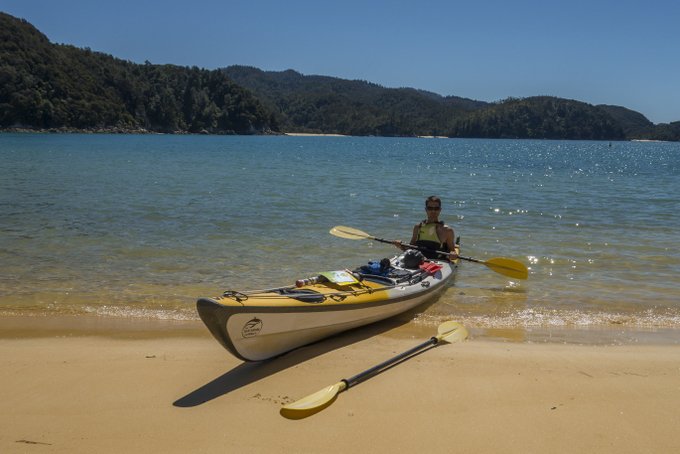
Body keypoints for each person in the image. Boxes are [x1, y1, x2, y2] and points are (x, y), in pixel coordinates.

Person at [394, 196, 458, 261]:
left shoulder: (447, 230)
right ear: (426, 209)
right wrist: (401, 245)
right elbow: (410, 249)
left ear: (440, 210)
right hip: (419, 261)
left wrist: (453, 254)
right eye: (430, 208)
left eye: (436, 208)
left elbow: (452, 251)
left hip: (438, 263)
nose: (433, 211)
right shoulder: (418, 227)